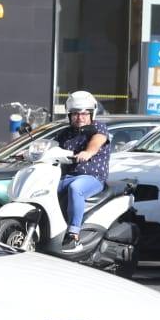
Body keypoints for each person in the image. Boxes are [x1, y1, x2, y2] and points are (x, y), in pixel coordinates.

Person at [55, 90, 111, 248]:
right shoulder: (65, 133)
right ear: (69, 115)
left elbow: (98, 140)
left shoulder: (98, 128)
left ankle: (73, 235)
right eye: (75, 114)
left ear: (92, 114)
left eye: (84, 113)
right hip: (66, 176)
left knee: (76, 188)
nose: (80, 117)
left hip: (92, 177)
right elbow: (50, 147)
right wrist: (28, 153)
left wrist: (88, 152)